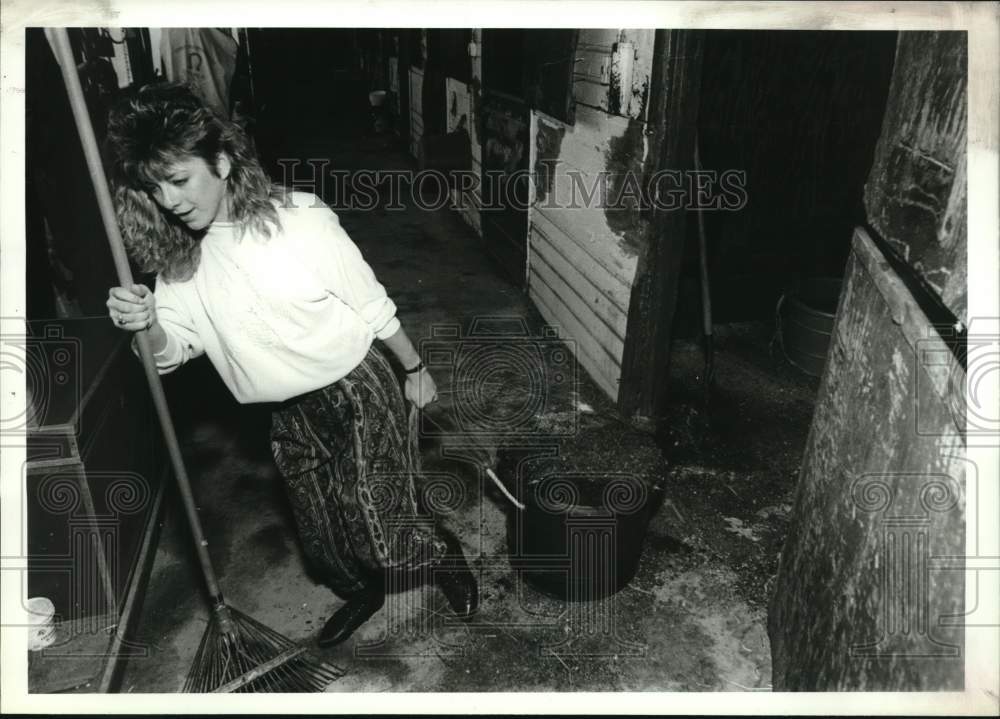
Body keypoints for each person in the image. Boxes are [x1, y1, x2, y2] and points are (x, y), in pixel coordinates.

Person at [104, 81, 477, 648]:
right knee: (322, 536)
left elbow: (369, 301)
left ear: (221, 162)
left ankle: (440, 553)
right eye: (155, 189)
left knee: (379, 522)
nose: (170, 200)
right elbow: (171, 353)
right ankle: (361, 591)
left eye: (179, 180)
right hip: (286, 412)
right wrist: (145, 323)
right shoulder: (179, 262)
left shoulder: (298, 218)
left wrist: (414, 368)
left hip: (356, 387)